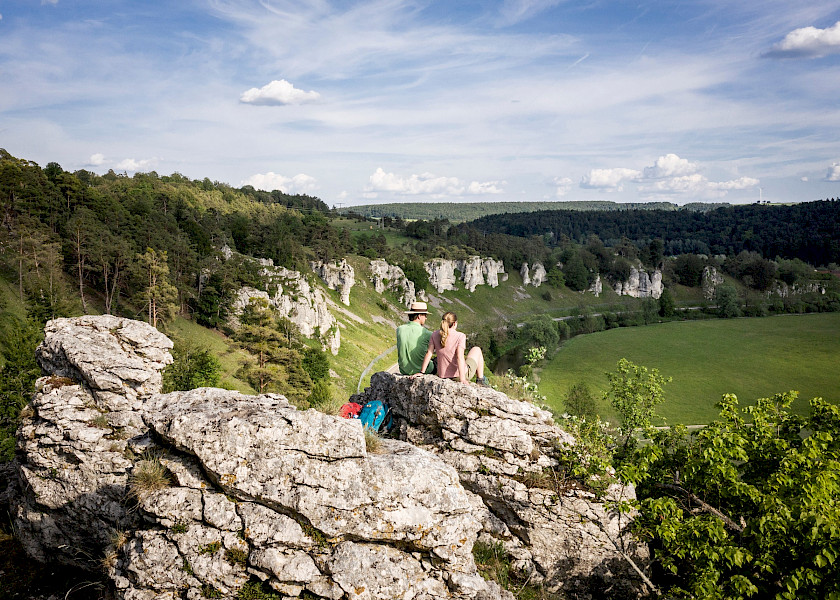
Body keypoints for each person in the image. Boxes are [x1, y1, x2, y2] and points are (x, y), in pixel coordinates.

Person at [418, 311, 489, 385]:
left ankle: (481, 380)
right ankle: (481, 380)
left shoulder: (434, 334)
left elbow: (429, 353)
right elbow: (459, 357)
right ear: (454, 323)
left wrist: (422, 372)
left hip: (442, 375)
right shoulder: (460, 336)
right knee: (476, 349)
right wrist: (462, 379)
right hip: (458, 376)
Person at [396, 301, 435, 375]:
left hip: (404, 371)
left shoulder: (399, 329)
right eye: (425, 315)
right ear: (419, 316)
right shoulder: (427, 333)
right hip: (423, 370)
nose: (426, 318)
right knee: (436, 361)